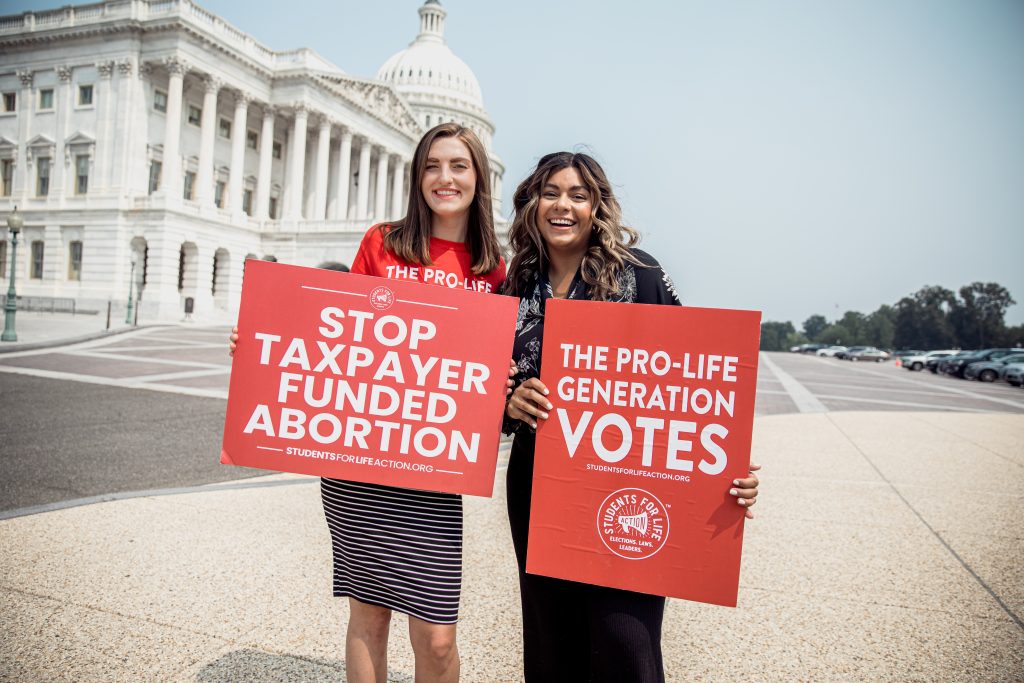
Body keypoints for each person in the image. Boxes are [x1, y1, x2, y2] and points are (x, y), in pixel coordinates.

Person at [230, 122, 505, 683]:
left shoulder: (494, 268)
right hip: (361, 466)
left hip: (432, 469)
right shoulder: (383, 242)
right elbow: (340, 336)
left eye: (458, 165)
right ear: (417, 176)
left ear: (479, 177)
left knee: (437, 637)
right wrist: (264, 343)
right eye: (432, 165)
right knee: (368, 616)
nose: (444, 177)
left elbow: (501, 369)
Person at [501, 152, 761, 683]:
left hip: (627, 482)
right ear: (532, 203)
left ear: (597, 206)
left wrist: (724, 469)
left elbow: (691, 382)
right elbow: (489, 386)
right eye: (550, 193)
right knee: (552, 640)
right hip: (539, 481)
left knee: (627, 642)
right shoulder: (516, 283)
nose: (563, 206)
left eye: (578, 195)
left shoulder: (639, 273)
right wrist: (508, 402)